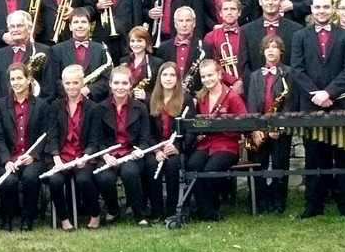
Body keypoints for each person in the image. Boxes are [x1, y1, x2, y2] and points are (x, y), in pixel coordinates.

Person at [291, 0, 345, 218]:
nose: (321, 11)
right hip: (311, 104)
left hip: (340, 102)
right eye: (317, 7)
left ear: (333, 9)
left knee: (344, 155)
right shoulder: (300, 36)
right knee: (313, 155)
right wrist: (316, 95)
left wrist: (329, 92)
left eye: (326, 7)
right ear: (311, 9)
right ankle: (313, 204)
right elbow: (297, 70)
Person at [184, 59, 246, 221]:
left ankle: (210, 211)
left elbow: (245, 123)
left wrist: (221, 126)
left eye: (210, 75)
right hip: (206, 144)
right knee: (192, 166)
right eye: (204, 77)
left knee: (210, 172)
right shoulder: (201, 97)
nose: (207, 79)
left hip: (227, 145)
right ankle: (207, 209)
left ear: (219, 74)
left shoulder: (232, 96)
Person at [0, 62, 51, 231]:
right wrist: (6, 160)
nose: (16, 82)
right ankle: (7, 217)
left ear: (29, 80)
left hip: (33, 157)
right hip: (8, 157)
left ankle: (28, 217)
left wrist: (33, 155)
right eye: (12, 79)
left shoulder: (41, 105)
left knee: (30, 178)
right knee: (8, 180)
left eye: (20, 78)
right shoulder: (0, 105)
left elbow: (44, 135)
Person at [44, 64, 102, 230]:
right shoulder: (55, 106)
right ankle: (64, 219)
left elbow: (94, 139)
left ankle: (95, 214)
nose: (71, 87)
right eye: (67, 83)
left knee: (83, 179)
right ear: (63, 84)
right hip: (61, 156)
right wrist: (55, 157)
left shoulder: (93, 108)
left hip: (83, 156)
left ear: (82, 83)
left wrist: (86, 156)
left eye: (75, 83)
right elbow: (52, 135)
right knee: (55, 181)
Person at [95, 65, 154, 225]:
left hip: (131, 154)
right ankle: (113, 210)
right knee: (104, 177)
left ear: (130, 85)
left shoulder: (140, 107)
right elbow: (97, 139)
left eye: (124, 83)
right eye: (116, 83)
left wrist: (139, 151)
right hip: (109, 155)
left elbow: (145, 138)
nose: (120, 87)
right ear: (110, 85)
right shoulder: (100, 108)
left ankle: (139, 214)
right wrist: (105, 155)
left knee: (130, 172)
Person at [244, 35, 295, 214]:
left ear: (281, 51)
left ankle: (279, 201)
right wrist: (255, 129)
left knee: (280, 163)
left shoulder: (288, 73)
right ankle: (260, 201)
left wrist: (279, 126)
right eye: (268, 47)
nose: (271, 50)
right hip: (259, 127)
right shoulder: (255, 75)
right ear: (263, 51)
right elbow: (251, 104)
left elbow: (289, 103)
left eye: (275, 47)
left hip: (278, 128)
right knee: (259, 164)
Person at [147, 61, 194, 221]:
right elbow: (148, 132)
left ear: (178, 79)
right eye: (165, 75)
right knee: (152, 165)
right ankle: (156, 210)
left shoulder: (186, 100)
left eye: (172, 75)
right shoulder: (151, 100)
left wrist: (177, 148)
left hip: (177, 148)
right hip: (157, 147)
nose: (168, 79)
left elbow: (190, 132)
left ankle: (173, 210)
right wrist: (156, 150)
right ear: (159, 77)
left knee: (173, 165)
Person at [0, 10, 53, 102]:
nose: (15, 30)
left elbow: (49, 88)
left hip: (33, 109)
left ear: (29, 28)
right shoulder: (0, 53)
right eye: (12, 27)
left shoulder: (44, 51)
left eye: (19, 26)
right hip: (5, 110)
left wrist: (38, 109)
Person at [50, 8, 111, 104]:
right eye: (76, 22)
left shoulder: (101, 49)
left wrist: (88, 90)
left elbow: (107, 79)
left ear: (89, 25)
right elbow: (54, 79)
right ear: (70, 26)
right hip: (66, 103)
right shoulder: (57, 50)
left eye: (83, 22)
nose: (80, 26)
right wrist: (72, 92)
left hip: (95, 103)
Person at [240, 0, 301, 74]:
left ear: (281, 1)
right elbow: (244, 64)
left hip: (288, 84)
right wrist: (253, 84)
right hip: (256, 85)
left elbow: (297, 63)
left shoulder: (296, 30)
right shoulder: (246, 30)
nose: (270, 2)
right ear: (260, 1)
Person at [158, 7, 209, 92]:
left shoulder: (205, 47)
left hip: (195, 97)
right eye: (180, 21)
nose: (184, 24)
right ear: (175, 23)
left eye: (188, 21)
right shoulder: (163, 48)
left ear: (194, 23)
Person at [203, 0, 246, 93]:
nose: (229, 12)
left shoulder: (247, 33)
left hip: (245, 85)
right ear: (220, 13)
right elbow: (213, 64)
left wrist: (242, 82)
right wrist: (234, 81)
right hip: (220, 87)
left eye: (233, 9)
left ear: (239, 13)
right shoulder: (210, 37)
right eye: (226, 9)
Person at [120, 27, 164, 105]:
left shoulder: (157, 63)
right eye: (132, 41)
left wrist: (146, 96)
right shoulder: (123, 61)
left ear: (146, 42)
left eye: (139, 41)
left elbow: (160, 90)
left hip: (145, 106)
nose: (135, 44)